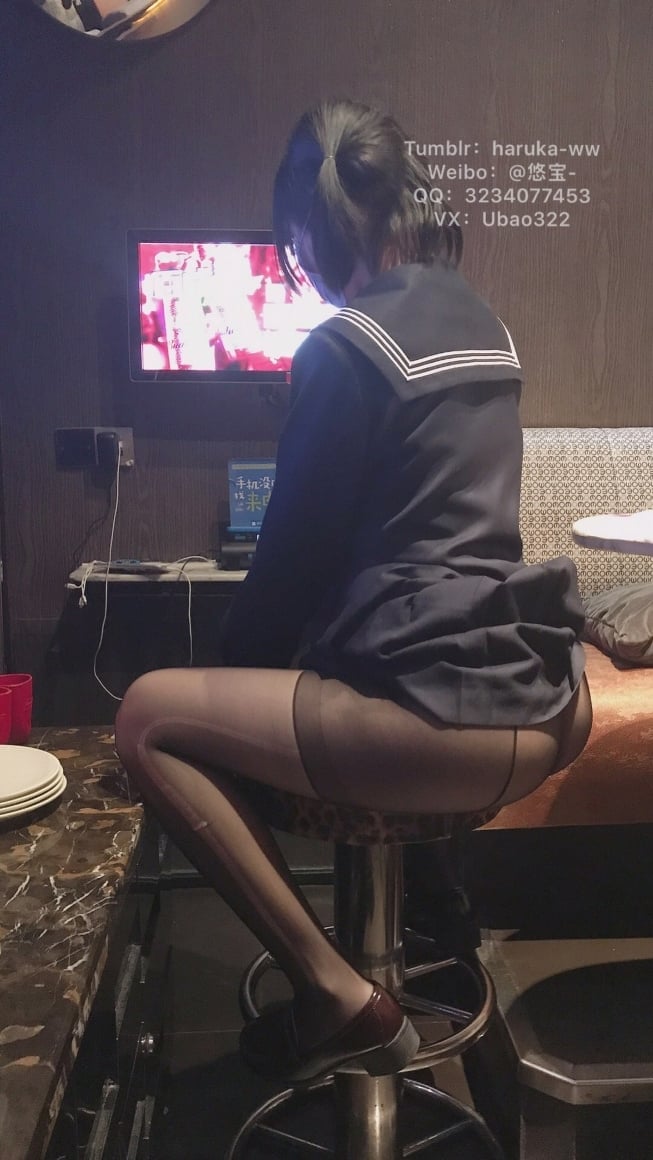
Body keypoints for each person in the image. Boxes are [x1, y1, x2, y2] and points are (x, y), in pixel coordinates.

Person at [114, 98, 592, 1085]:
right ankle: (433, 928)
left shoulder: (342, 346)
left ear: (307, 238)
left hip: (430, 721)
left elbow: (285, 574)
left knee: (150, 717)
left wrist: (230, 693)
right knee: (352, 676)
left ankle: (339, 997)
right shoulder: (485, 324)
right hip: (541, 696)